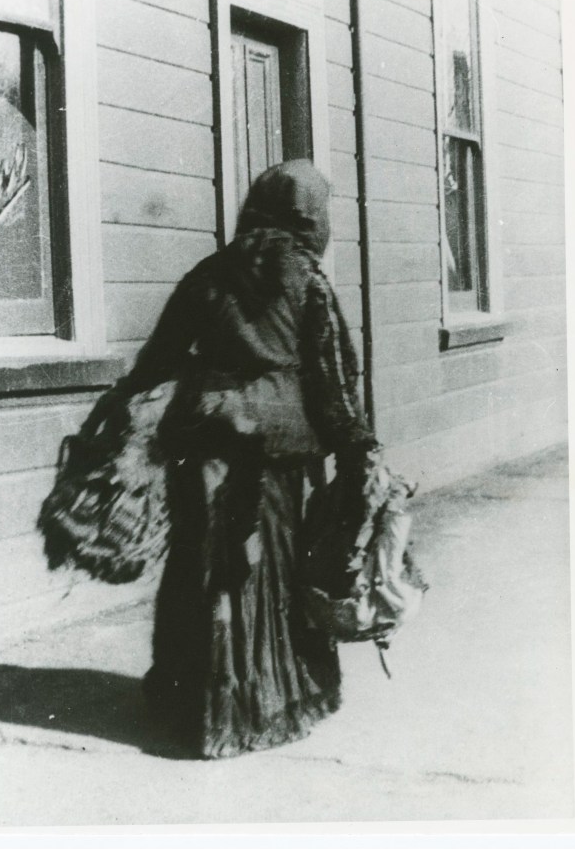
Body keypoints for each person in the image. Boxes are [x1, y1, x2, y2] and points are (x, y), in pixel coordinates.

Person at [108, 158, 380, 759]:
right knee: (265, 569)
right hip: (274, 447)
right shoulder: (308, 280)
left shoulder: (207, 273)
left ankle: (191, 706)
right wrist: (359, 447)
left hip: (205, 435)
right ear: (308, 216)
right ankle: (260, 705)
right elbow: (333, 377)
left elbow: (159, 358)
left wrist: (120, 410)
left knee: (199, 566)